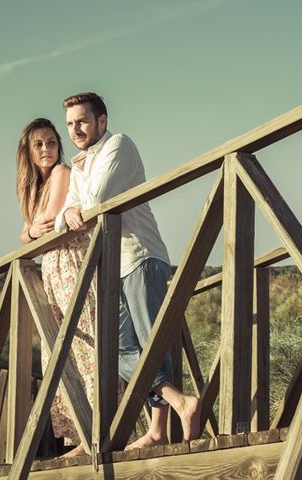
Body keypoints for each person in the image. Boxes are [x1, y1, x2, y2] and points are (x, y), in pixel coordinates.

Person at [55, 92, 200, 450]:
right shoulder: (81, 164)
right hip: (112, 268)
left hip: (141, 256)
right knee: (120, 351)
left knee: (152, 342)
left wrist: (74, 211)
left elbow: (95, 202)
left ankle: (157, 431)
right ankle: (181, 402)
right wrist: (67, 214)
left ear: (102, 121)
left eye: (83, 121)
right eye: (71, 124)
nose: (76, 129)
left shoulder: (118, 145)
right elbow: (65, 216)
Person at [15, 118, 97, 457]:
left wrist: (33, 231)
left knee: (83, 343)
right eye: (40, 145)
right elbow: (25, 234)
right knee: (58, 351)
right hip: (51, 269)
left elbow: (46, 223)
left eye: (51, 142)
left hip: (71, 262)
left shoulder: (62, 172)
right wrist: (32, 231)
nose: (47, 149)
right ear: (29, 153)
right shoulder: (35, 186)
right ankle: (79, 434)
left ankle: (98, 428)